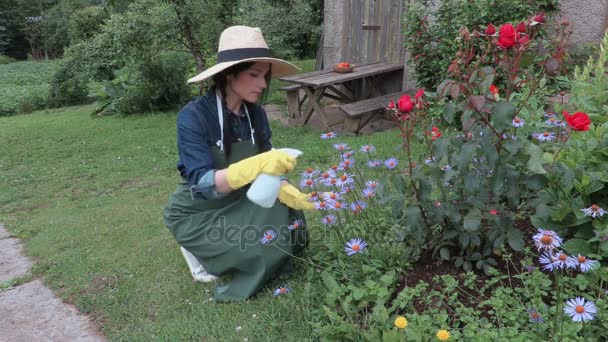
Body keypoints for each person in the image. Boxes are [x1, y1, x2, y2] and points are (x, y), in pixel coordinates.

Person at [163, 26, 315, 302]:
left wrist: (289, 190)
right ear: (229, 74)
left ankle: (241, 245)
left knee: (287, 232)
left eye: (265, 75)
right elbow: (203, 184)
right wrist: (254, 167)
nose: (263, 84)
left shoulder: (255, 114)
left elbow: (268, 168)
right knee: (254, 250)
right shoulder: (193, 116)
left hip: (241, 196)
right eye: (254, 75)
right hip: (200, 208)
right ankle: (201, 253)